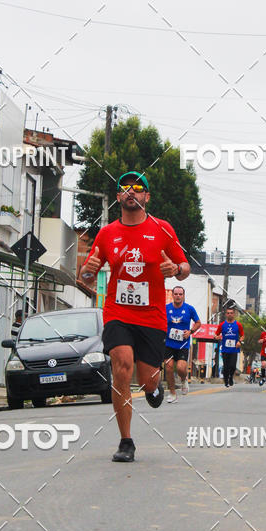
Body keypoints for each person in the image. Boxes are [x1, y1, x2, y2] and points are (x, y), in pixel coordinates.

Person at [80, 171, 190, 462]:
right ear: (118, 197)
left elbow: (185, 266)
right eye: (125, 188)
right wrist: (88, 270)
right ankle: (125, 441)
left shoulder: (162, 229)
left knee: (148, 381)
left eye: (138, 188)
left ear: (146, 197)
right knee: (121, 364)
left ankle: (155, 390)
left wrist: (176, 271)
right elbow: (87, 277)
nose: (132, 192)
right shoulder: (107, 234)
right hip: (118, 311)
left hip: (152, 316)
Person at [164, 286, 201, 403]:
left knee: (180, 368)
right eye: (176, 294)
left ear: (183, 296)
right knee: (169, 368)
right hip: (169, 343)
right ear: (173, 295)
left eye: (180, 294)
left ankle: (184, 379)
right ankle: (172, 393)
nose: (178, 296)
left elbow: (198, 323)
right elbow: (160, 321)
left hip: (182, 345)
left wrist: (190, 331)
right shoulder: (166, 308)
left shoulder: (189, 309)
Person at [214, 304, 244, 388]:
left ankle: (231, 377)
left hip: (234, 349)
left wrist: (239, 341)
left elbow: (242, 335)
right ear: (226, 314)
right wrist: (218, 337)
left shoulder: (238, 325)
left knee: (233, 366)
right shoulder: (222, 325)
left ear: (234, 314)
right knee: (226, 366)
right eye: (228, 313)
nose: (229, 314)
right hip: (225, 349)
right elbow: (215, 335)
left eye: (231, 313)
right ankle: (226, 380)